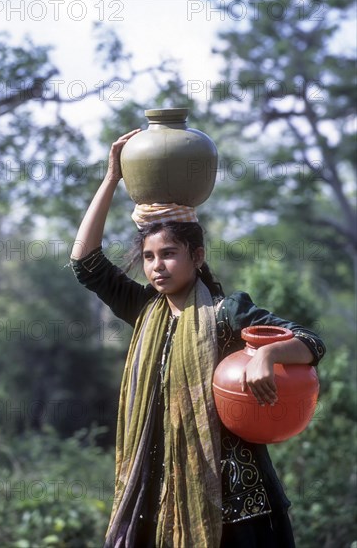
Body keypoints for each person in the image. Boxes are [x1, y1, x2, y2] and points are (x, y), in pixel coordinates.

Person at [70, 130, 326, 548]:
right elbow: (84, 263)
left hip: (239, 501)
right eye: (149, 257)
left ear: (198, 257)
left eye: (169, 254)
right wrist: (112, 177)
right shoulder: (143, 309)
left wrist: (268, 355)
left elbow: (310, 342)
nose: (157, 267)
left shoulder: (227, 312)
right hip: (161, 494)